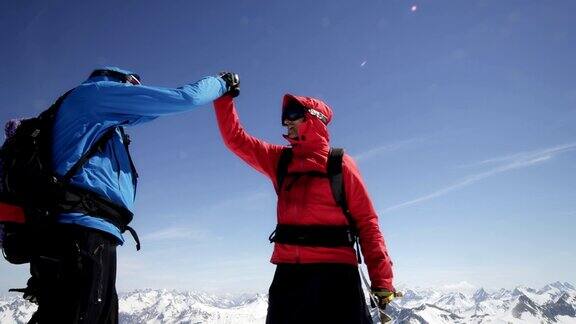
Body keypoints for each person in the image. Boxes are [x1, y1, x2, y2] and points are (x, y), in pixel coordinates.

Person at [15, 67, 239, 323]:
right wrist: (221, 83)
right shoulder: (98, 94)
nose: (137, 91)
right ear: (125, 81)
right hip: (82, 234)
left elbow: (149, 113)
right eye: (135, 86)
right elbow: (183, 98)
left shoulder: (90, 108)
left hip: (82, 233)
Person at [213, 92, 396, 323]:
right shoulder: (280, 160)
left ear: (313, 119)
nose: (286, 121)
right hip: (289, 278)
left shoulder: (340, 165)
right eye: (284, 116)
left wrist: (381, 281)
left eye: (293, 114)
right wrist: (224, 98)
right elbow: (236, 139)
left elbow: (367, 223)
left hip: (337, 279)